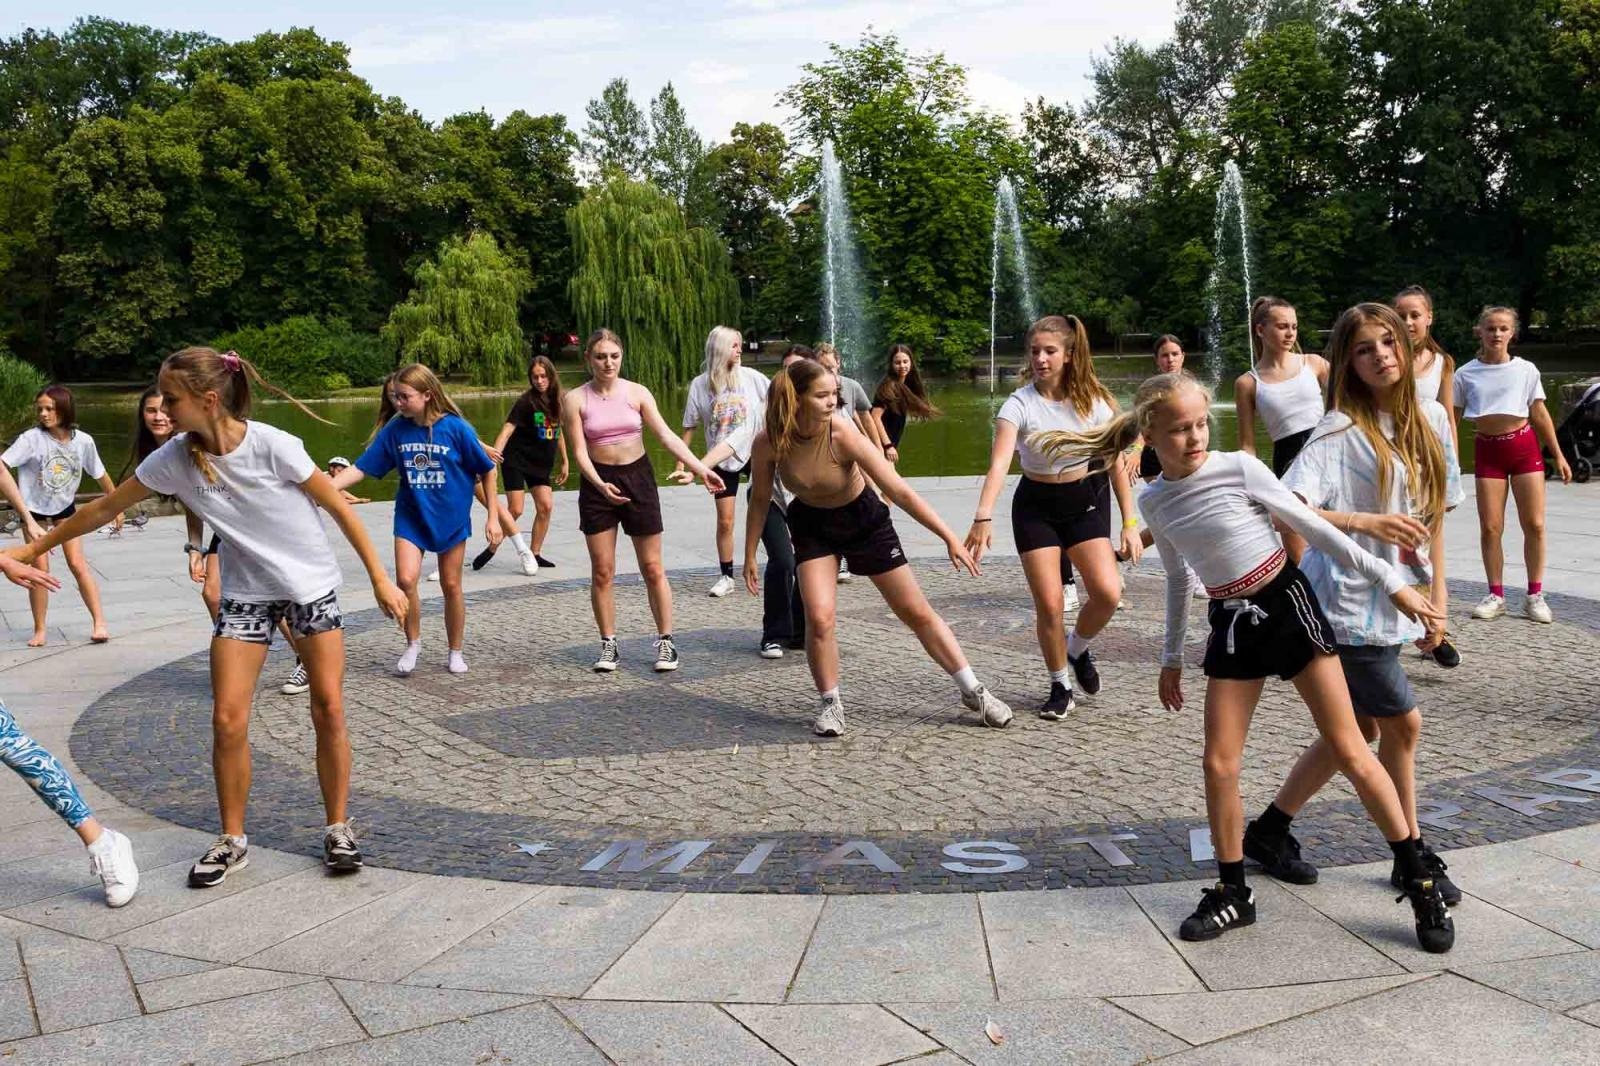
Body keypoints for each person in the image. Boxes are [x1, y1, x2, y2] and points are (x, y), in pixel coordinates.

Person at [1032, 371, 1453, 953]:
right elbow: (1179, 577)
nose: (1195, 437)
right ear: (1149, 435)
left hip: (1287, 605)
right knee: (1219, 762)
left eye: (1202, 423)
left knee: (1353, 746)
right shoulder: (1155, 498)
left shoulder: (1239, 467)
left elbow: (1314, 530)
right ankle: (1233, 891)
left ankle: (1418, 877)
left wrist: (1392, 584)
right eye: (1180, 429)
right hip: (1231, 623)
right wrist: (1171, 657)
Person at [8, 346, 409, 886]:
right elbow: (103, 508)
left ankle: (338, 827)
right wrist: (29, 552)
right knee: (226, 718)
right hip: (245, 595)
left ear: (208, 399)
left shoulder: (273, 446)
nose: (162, 410)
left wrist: (382, 579)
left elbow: (339, 507)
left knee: (329, 708)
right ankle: (232, 839)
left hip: (309, 590)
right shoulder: (172, 458)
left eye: (171, 400)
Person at [1241, 303, 1465, 909]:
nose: (1383, 355)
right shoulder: (1339, 430)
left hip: (1396, 598)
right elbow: (1286, 504)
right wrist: (1361, 519)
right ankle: (1411, 852)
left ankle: (1269, 830)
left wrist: (1435, 599)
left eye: (1388, 342)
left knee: (1359, 729)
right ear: (1349, 363)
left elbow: (1434, 519)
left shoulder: (1434, 421)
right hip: (1341, 601)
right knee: (1402, 723)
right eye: (1366, 349)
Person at [745, 358, 1013, 736]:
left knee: (914, 611)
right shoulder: (769, 441)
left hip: (863, 519)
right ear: (796, 399)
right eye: (822, 395)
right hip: (811, 525)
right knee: (819, 618)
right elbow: (759, 499)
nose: (832, 402)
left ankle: (974, 689)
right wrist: (748, 555)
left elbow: (898, 489)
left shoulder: (841, 432)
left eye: (834, 395)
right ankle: (831, 704)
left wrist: (948, 536)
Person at [966, 314, 1139, 720]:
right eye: (1035, 351)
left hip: (1082, 503)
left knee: (1108, 592)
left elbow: (1114, 465)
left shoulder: (1095, 404)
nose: (1041, 359)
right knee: (1050, 604)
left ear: (1068, 354)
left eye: (1050, 351)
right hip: (1036, 508)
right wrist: (982, 515)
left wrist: (1130, 523)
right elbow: (999, 465)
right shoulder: (1019, 404)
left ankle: (1077, 649)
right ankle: (1060, 685)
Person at [563, 328, 725, 672]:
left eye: (614, 356)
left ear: (621, 357)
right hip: (598, 484)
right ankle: (608, 644)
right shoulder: (576, 399)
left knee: (652, 567)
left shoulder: (636, 393)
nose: (608, 363)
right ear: (589, 359)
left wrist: (700, 469)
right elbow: (579, 452)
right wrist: (600, 484)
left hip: (638, 479)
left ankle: (666, 642)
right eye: (600, 357)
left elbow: (666, 435)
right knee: (603, 571)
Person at [332, 364, 500, 676]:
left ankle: (455, 651)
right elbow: (362, 468)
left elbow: (488, 469)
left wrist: (493, 517)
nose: (397, 402)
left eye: (404, 397)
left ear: (427, 395)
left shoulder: (457, 429)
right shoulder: (396, 430)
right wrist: (325, 488)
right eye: (395, 397)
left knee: (451, 585)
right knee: (406, 580)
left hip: (450, 519)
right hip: (411, 517)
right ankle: (413, 643)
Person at [1454, 306, 1570, 623]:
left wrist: (1558, 454)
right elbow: (1451, 420)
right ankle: (1496, 594)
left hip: (1523, 448)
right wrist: (1446, 458)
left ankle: (1534, 595)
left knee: (1534, 524)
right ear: (1479, 331)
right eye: (1490, 328)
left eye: (1503, 328)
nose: (1496, 334)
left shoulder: (1526, 370)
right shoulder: (1465, 373)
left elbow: (1540, 413)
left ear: (1512, 333)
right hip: (1487, 450)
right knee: (1491, 528)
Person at [0, 385, 118, 647]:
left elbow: (99, 473)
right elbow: (2, 466)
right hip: (34, 512)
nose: (43, 413)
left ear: (64, 409)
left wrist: (117, 506)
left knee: (77, 564)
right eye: (40, 408)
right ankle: (40, 628)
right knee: (39, 568)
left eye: (49, 409)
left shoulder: (83, 441)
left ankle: (99, 622)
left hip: (65, 511)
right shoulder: (31, 439)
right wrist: (28, 521)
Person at [675, 327, 770, 597]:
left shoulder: (752, 378)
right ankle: (726, 575)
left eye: (740, 346)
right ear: (720, 348)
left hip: (756, 453)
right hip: (719, 457)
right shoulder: (700, 384)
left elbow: (779, 398)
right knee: (725, 520)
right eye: (735, 346)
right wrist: (682, 463)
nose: (740, 351)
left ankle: (781, 561)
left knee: (768, 509)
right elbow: (689, 427)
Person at [1234, 296, 1328, 562]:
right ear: (1260, 329)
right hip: (1288, 464)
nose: (1290, 333)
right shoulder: (1247, 383)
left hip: (1326, 456)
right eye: (1282, 326)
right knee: (1301, 560)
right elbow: (1248, 445)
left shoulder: (1313, 363)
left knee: (1343, 550)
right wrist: (1249, 485)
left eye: (1294, 326)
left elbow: (1351, 404)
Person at [475, 356, 567, 575]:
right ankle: (493, 545)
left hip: (541, 464)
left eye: (543, 376)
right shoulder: (526, 401)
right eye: (535, 377)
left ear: (551, 376)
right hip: (516, 460)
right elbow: (507, 430)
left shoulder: (559, 400)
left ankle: (534, 553)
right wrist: (493, 459)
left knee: (545, 506)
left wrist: (565, 460)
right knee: (515, 509)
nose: (539, 380)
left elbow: (558, 431)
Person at [815, 342, 889, 584]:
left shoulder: (851, 386)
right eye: (822, 367)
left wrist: (879, 451)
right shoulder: (810, 390)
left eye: (831, 367)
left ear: (839, 365)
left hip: (851, 454)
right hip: (825, 459)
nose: (828, 372)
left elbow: (867, 421)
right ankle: (838, 557)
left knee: (861, 502)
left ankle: (856, 553)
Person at [1394, 286, 1457, 447]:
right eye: (1401, 316)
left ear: (1429, 317)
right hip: (1392, 447)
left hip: (1428, 448)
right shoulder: (1385, 360)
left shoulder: (1442, 362)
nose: (1407, 322)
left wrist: (1454, 463)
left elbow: (1449, 418)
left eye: (1415, 315)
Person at [871, 343, 939, 474]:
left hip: (889, 443)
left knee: (888, 486)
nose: (902, 366)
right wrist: (888, 446)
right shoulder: (888, 386)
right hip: (880, 444)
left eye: (905, 361)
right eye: (897, 362)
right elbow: (875, 417)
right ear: (891, 365)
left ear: (911, 362)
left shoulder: (904, 384)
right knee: (891, 484)